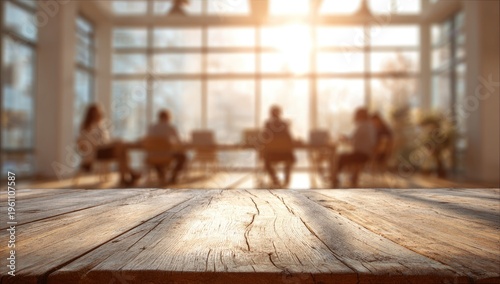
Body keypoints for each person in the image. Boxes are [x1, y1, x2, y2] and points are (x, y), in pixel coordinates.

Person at [78, 104, 141, 185]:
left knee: (122, 148)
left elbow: (105, 140)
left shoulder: (99, 125)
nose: (100, 114)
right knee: (120, 146)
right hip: (96, 153)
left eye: (100, 112)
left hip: (102, 150)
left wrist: (113, 142)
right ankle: (130, 173)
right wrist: (112, 143)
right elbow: (96, 144)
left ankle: (124, 178)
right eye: (98, 113)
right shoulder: (88, 127)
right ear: (92, 114)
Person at [331, 108, 377, 187]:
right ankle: (353, 177)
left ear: (359, 116)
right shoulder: (370, 126)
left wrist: (342, 137)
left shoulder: (361, 126)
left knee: (341, 157)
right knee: (349, 155)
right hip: (368, 154)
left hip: (362, 155)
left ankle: (334, 178)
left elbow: (351, 138)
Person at [147, 109, 186, 185]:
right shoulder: (171, 127)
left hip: (153, 156)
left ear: (159, 117)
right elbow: (179, 141)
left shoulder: (152, 128)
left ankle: (161, 175)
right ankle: (173, 176)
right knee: (182, 156)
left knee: (156, 158)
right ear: (168, 117)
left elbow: (147, 140)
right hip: (167, 155)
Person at [262, 105, 296, 187]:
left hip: (272, 155)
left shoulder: (268, 124)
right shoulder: (284, 124)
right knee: (290, 159)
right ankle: (286, 180)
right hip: (285, 155)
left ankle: (275, 180)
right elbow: (289, 138)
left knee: (266, 161)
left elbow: (265, 138)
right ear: (280, 113)